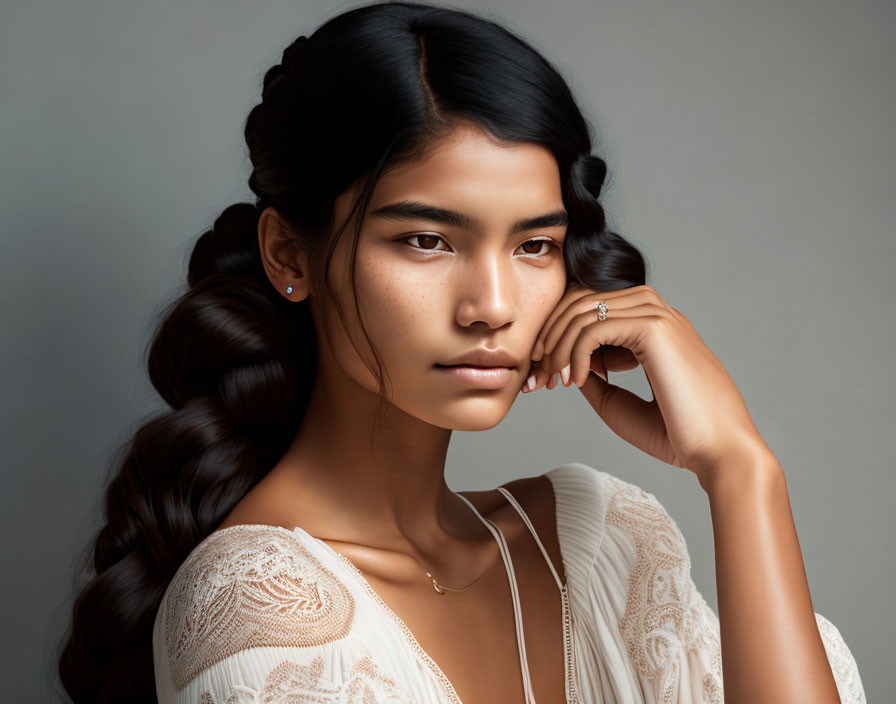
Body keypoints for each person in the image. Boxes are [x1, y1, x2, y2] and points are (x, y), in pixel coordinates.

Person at [57, 2, 866, 703]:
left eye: (535, 246)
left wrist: (742, 471)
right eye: (426, 240)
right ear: (289, 255)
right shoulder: (263, 608)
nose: (493, 307)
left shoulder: (600, 539)